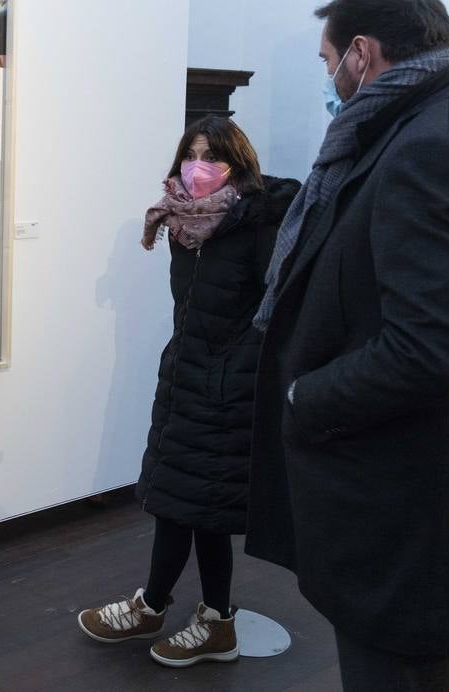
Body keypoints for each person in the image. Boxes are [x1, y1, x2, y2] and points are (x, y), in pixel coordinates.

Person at [248, 0, 449, 689]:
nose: (329, 80)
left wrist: (302, 397)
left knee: (391, 674)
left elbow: (426, 350)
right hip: (430, 476)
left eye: (328, 63)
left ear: (361, 53)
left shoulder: (428, 148)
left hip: (398, 487)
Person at [77, 116, 298, 669]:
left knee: (205, 507)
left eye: (212, 155)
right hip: (187, 375)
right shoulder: (182, 224)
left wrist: (231, 370)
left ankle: (208, 620)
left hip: (229, 387)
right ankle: (159, 607)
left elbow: (274, 313)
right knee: (180, 499)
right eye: (191, 153)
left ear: (237, 163)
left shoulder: (255, 224)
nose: (198, 166)